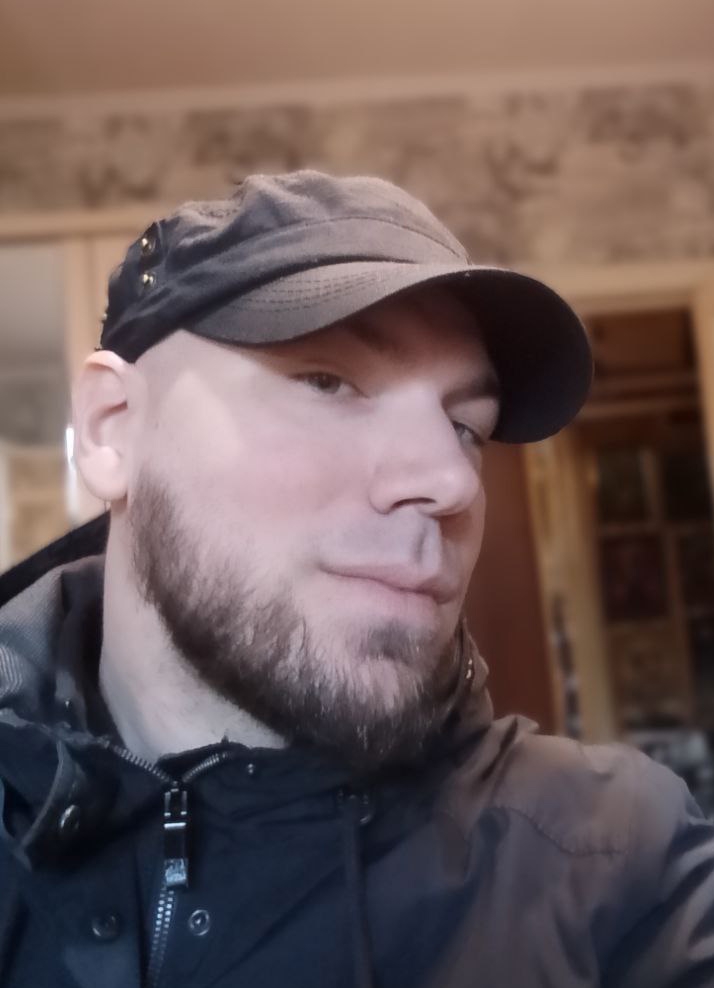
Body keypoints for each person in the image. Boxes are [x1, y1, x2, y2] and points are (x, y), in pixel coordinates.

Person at [0, 170, 711, 988]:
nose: (451, 480)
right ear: (112, 429)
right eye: (328, 382)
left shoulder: (617, 866)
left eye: (467, 427)